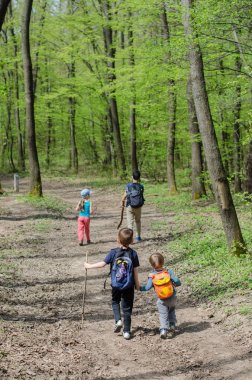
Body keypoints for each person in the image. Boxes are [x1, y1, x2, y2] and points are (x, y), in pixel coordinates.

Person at [84, 228, 140, 340]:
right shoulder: (133, 254)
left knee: (115, 301)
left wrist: (89, 266)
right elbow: (135, 273)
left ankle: (118, 320)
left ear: (118, 240)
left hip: (116, 285)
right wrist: (137, 285)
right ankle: (127, 332)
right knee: (127, 308)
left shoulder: (113, 252)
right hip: (128, 286)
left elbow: (102, 264)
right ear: (132, 240)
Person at [140, 253, 181, 339]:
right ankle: (172, 324)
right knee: (171, 310)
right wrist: (177, 284)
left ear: (151, 265)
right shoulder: (168, 271)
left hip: (162, 300)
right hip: (172, 296)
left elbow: (147, 288)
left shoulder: (152, 275)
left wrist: (139, 288)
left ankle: (163, 330)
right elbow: (177, 280)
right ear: (163, 261)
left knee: (163, 314)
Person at [121, 170, 144, 242]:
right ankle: (138, 237)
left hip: (130, 206)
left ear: (132, 177)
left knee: (130, 222)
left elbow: (124, 197)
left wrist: (122, 204)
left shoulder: (128, 186)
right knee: (138, 221)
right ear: (139, 177)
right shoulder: (141, 186)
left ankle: (130, 239)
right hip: (139, 206)